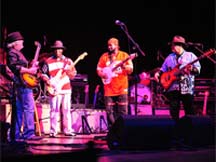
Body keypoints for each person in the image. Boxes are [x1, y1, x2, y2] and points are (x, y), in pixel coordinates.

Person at [154, 35, 201, 121]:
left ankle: (189, 131)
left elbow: (197, 70)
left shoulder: (191, 56)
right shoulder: (169, 57)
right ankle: (175, 131)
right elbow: (163, 69)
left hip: (187, 88)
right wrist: (158, 73)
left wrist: (191, 69)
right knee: (174, 112)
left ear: (180, 45)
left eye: (173, 45)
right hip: (173, 88)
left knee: (189, 111)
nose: (171, 47)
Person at [6, 31, 42, 141]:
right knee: (28, 108)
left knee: (21, 109)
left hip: (22, 83)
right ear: (15, 43)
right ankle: (28, 133)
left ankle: (17, 135)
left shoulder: (18, 53)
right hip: (22, 84)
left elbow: (22, 66)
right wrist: (30, 70)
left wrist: (32, 65)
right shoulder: (12, 52)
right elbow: (14, 67)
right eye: (21, 42)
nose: (23, 44)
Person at [40, 40, 77, 137]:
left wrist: (70, 72)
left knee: (66, 110)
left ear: (62, 50)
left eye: (59, 49)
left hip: (66, 88)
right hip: (54, 88)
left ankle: (68, 130)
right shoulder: (47, 61)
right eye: (56, 49)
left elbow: (73, 75)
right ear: (53, 50)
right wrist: (47, 81)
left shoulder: (68, 61)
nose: (57, 51)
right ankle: (53, 131)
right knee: (54, 110)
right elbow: (42, 74)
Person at [96, 37, 134, 127]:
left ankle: (122, 131)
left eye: (111, 45)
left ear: (116, 46)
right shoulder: (104, 57)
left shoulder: (124, 55)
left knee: (123, 112)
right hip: (109, 89)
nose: (109, 47)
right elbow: (98, 70)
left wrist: (124, 66)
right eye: (108, 45)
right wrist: (103, 75)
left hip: (122, 88)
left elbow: (131, 70)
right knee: (110, 112)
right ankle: (112, 132)